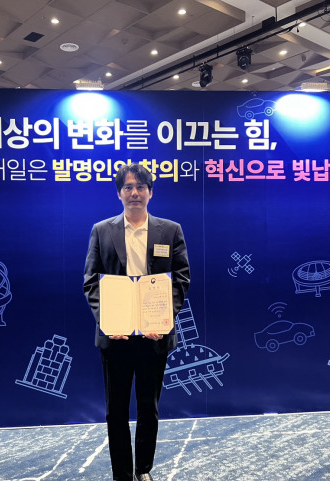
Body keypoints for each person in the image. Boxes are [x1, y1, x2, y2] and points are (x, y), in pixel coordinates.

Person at [83, 163, 190, 481]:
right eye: (128, 187)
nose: (134, 193)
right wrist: (108, 321)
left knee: (148, 408)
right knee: (115, 411)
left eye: (141, 187)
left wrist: (163, 319)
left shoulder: (169, 231)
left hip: (154, 336)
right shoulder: (102, 230)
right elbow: (91, 281)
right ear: (119, 193)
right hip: (115, 337)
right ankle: (122, 474)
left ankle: (143, 469)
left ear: (150, 192)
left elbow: (181, 279)